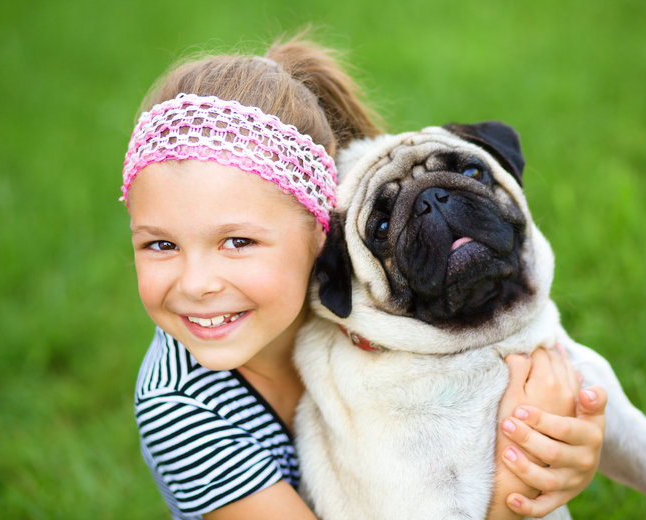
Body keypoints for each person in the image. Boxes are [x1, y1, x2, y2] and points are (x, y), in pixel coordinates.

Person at [122, 34, 607, 520]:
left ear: (321, 234)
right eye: (160, 244)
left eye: (237, 242)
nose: (197, 283)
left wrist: (569, 443)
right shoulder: (181, 407)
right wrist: (519, 486)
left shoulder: (381, 297)